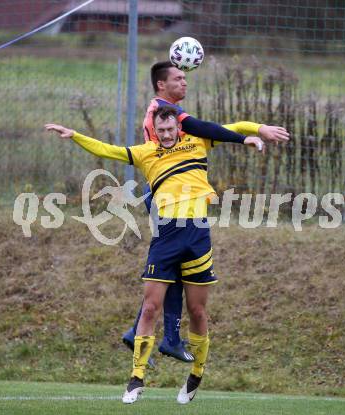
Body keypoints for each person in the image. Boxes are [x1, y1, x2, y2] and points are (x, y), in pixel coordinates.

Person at [45, 105, 285, 404]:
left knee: (197, 311)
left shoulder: (197, 141)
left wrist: (258, 129)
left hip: (197, 235)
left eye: (172, 129)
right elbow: (108, 150)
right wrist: (75, 135)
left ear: (179, 128)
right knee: (149, 308)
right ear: (154, 131)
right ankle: (136, 378)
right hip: (165, 238)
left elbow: (233, 127)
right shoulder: (146, 153)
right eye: (162, 131)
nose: (167, 135)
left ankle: (197, 371)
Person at [122, 61, 290, 364]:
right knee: (172, 264)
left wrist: (257, 128)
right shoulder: (162, 110)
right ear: (161, 85)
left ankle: (143, 333)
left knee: (172, 267)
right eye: (178, 78)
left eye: (185, 77)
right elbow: (205, 128)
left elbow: (220, 128)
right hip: (166, 198)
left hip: (167, 197)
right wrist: (245, 137)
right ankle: (165, 338)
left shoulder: (167, 113)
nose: (185, 82)